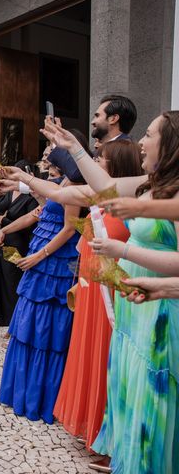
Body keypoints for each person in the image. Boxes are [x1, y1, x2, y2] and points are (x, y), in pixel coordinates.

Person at [42, 113, 179, 473]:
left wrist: (123, 252)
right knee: (129, 392)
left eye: (150, 135)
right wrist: (75, 149)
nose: (142, 142)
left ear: (171, 146)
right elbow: (104, 187)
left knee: (153, 404)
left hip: (162, 316)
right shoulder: (152, 184)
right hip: (135, 307)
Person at [0, 140, 144, 460]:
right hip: (88, 279)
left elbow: (68, 225)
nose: (94, 161)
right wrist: (20, 181)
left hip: (104, 284)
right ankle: (91, 428)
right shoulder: (77, 187)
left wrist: (39, 255)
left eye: (100, 158)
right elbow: (51, 194)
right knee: (79, 348)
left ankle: (108, 436)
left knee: (92, 352)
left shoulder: (125, 195)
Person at [0, 144, 83, 424]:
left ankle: (43, 398)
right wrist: (5, 229)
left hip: (57, 263)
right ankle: (21, 392)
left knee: (48, 330)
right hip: (39, 259)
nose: (44, 156)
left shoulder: (78, 185)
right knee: (28, 326)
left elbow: (71, 228)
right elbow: (36, 213)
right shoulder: (59, 183)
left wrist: (39, 256)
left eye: (49, 153)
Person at [0, 160, 39, 329]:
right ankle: (5, 319)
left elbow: (31, 223)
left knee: (14, 283)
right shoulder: (7, 193)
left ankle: (16, 324)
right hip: (1, 242)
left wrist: (4, 220)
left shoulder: (31, 196)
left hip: (19, 243)